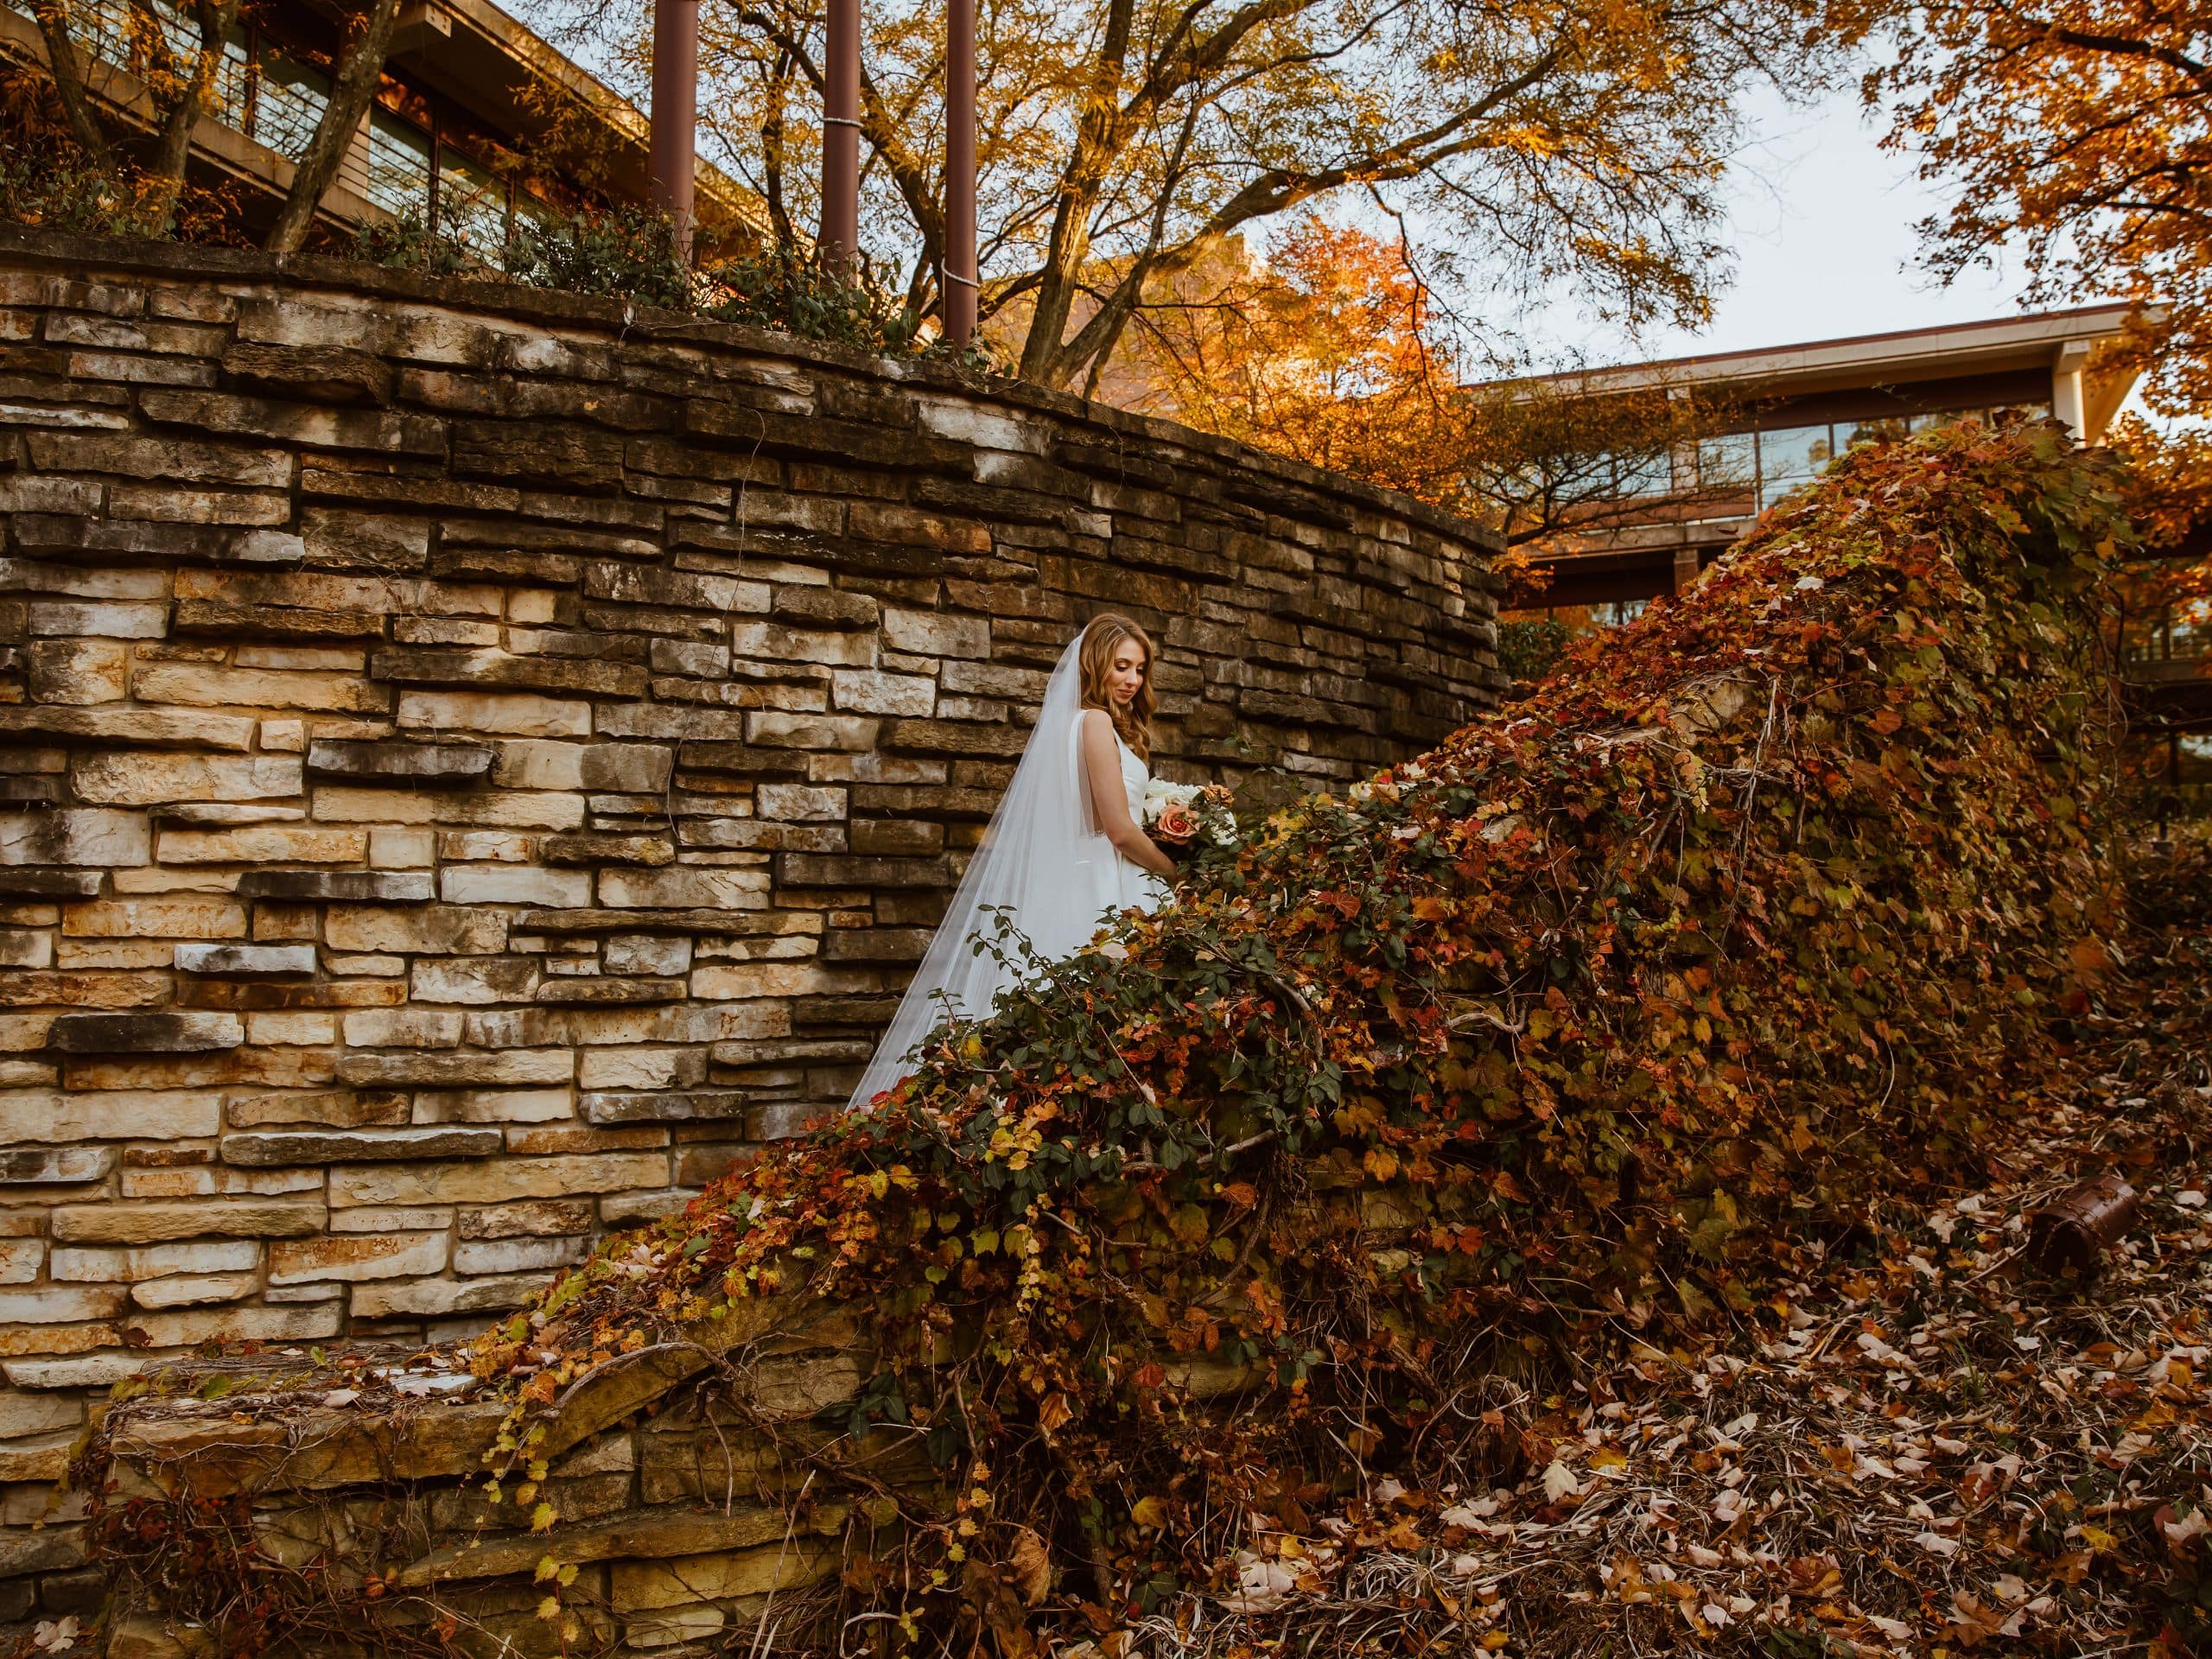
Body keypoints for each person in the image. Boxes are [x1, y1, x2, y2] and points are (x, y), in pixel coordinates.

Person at [847, 613, 1184, 1110]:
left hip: (1084, 878)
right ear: (1096, 665)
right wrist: (1174, 869)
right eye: (1121, 666)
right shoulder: (1094, 722)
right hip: (1112, 882)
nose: (1133, 680)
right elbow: (1117, 829)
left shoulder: (1075, 726)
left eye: (1140, 669)